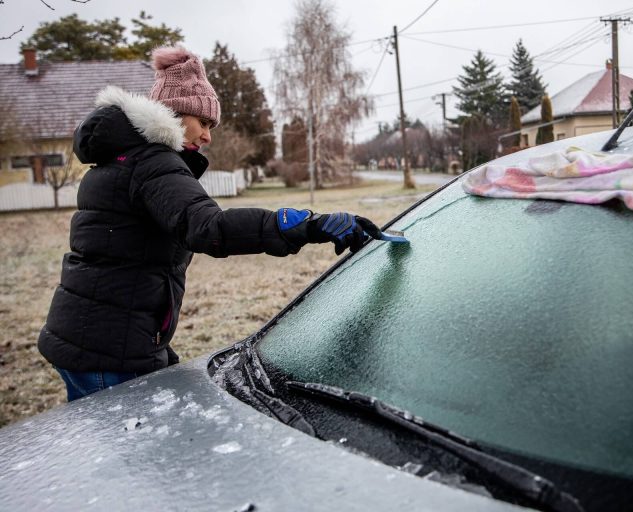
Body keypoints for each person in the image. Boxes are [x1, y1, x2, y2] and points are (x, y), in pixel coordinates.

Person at [37, 45, 381, 402]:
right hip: (108, 350)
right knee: (130, 453)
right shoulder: (152, 162)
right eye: (203, 122)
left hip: (89, 336)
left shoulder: (122, 158)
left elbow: (128, 253)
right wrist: (305, 225)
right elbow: (209, 228)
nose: (207, 136)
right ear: (173, 114)